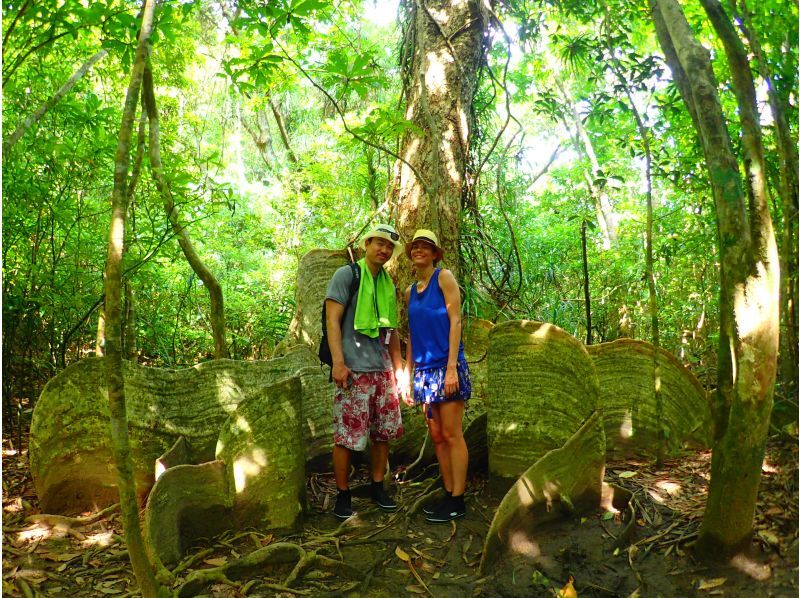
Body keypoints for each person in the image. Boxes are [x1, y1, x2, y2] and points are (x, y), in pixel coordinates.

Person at [324, 224, 407, 520]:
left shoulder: (387, 283)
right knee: (346, 437)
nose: (383, 250)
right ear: (367, 243)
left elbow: (392, 331)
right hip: (353, 370)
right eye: (379, 244)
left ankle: (376, 487)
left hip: (382, 371)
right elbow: (332, 321)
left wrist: (400, 372)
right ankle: (343, 495)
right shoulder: (347, 275)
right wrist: (338, 362)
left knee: (382, 435)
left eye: (389, 247)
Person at [403, 229, 472, 523]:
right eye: (415, 246)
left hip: (446, 366)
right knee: (438, 436)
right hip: (423, 372)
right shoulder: (409, 292)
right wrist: (407, 375)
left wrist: (452, 367)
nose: (419, 250)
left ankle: (459, 499)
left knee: (453, 434)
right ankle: (447, 492)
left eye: (425, 247)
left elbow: (455, 320)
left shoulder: (444, 278)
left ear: (434, 254)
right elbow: (412, 335)